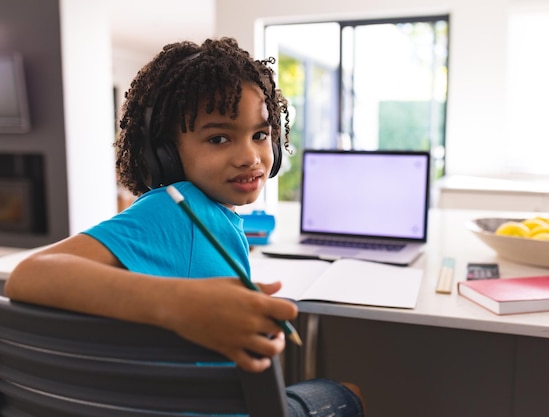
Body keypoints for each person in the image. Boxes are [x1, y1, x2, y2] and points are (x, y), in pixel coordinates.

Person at [4, 37, 365, 417]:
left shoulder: (204, 217)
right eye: (219, 138)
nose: (249, 156)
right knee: (347, 391)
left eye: (260, 134)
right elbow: (30, 275)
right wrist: (179, 304)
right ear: (166, 152)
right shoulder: (173, 211)